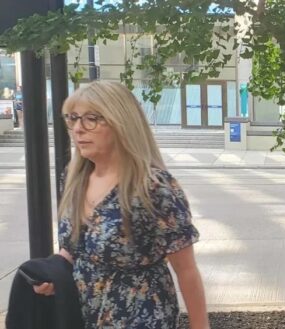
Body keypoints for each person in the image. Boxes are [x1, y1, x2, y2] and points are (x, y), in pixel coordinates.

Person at [32, 81, 210, 329]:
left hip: (140, 317)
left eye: (91, 119)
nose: (78, 129)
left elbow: (186, 270)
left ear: (120, 123)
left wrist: (200, 326)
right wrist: (55, 273)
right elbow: (75, 249)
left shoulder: (153, 187)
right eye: (73, 119)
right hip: (80, 315)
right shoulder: (73, 179)